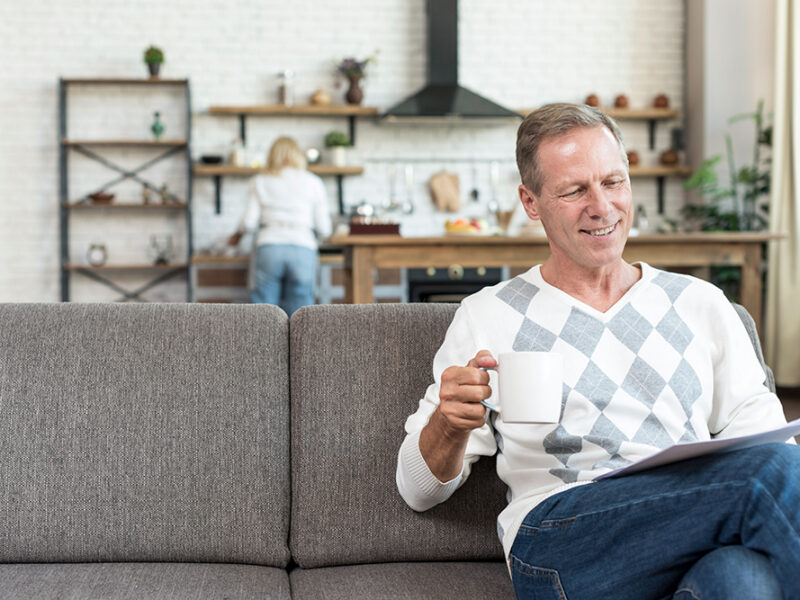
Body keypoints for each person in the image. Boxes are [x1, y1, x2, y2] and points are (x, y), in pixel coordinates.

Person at [396, 103, 799, 599]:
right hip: (561, 543)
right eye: (574, 190)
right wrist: (449, 424)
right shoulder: (488, 314)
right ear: (531, 202)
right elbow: (417, 491)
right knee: (772, 476)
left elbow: (765, 440)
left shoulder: (700, 303)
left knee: (744, 581)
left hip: (686, 525)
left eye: (613, 182)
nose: (602, 206)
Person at [228, 136, 332, 315]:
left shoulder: (260, 181)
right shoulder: (313, 182)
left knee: (265, 313)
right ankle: (301, 344)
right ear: (298, 155)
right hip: (303, 246)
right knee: (302, 314)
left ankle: (263, 344)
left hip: (269, 245)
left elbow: (249, 222)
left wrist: (236, 236)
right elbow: (324, 229)